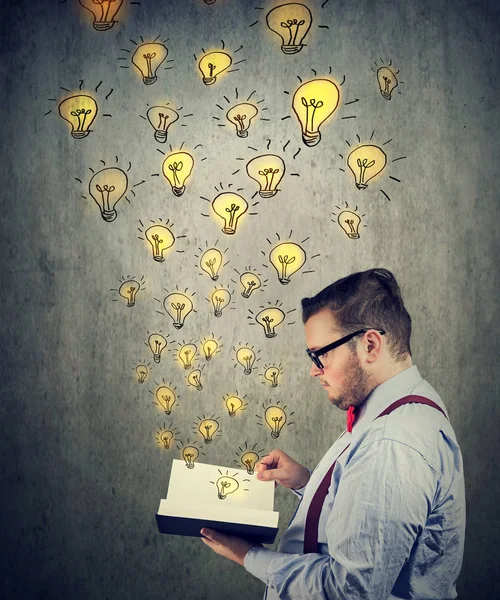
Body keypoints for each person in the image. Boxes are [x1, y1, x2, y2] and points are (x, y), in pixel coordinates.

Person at [200, 268, 466, 599]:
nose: (314, 369)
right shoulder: (395, 410)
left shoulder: (391, 443)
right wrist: (305, 482)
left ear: (370, 344)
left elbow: (348, 592)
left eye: (321, 354)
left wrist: (247, 554)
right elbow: (367, 510)